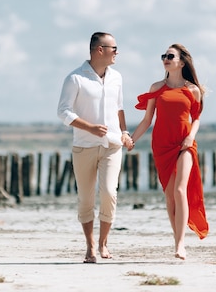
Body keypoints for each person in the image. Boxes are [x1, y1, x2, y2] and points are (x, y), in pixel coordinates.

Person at [57, 32, 134, 263]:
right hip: (84, 146)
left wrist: (124, 132)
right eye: (114, 48)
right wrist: (89, 127)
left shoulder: (117, 78)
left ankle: (103, 243)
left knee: (110, 192)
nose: (117, 52)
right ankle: (90, 246)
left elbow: (119, 108)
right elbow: (63, 111)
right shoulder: (75, 78)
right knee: (86, 198)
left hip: (112, 145)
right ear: (99, 49)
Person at [128, 43, 209, 259]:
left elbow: (197, 119)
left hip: (185, 143)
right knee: (170, 196)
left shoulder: (192, 90)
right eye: (164, 55)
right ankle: (178, 239)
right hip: (162, 145)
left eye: (170, 56)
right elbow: (147, 120)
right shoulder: (157, 88)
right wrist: (132, 140)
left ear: (181, 62)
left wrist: (191, 136)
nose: (165, 58)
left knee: (180, 190)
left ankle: (180, 245)